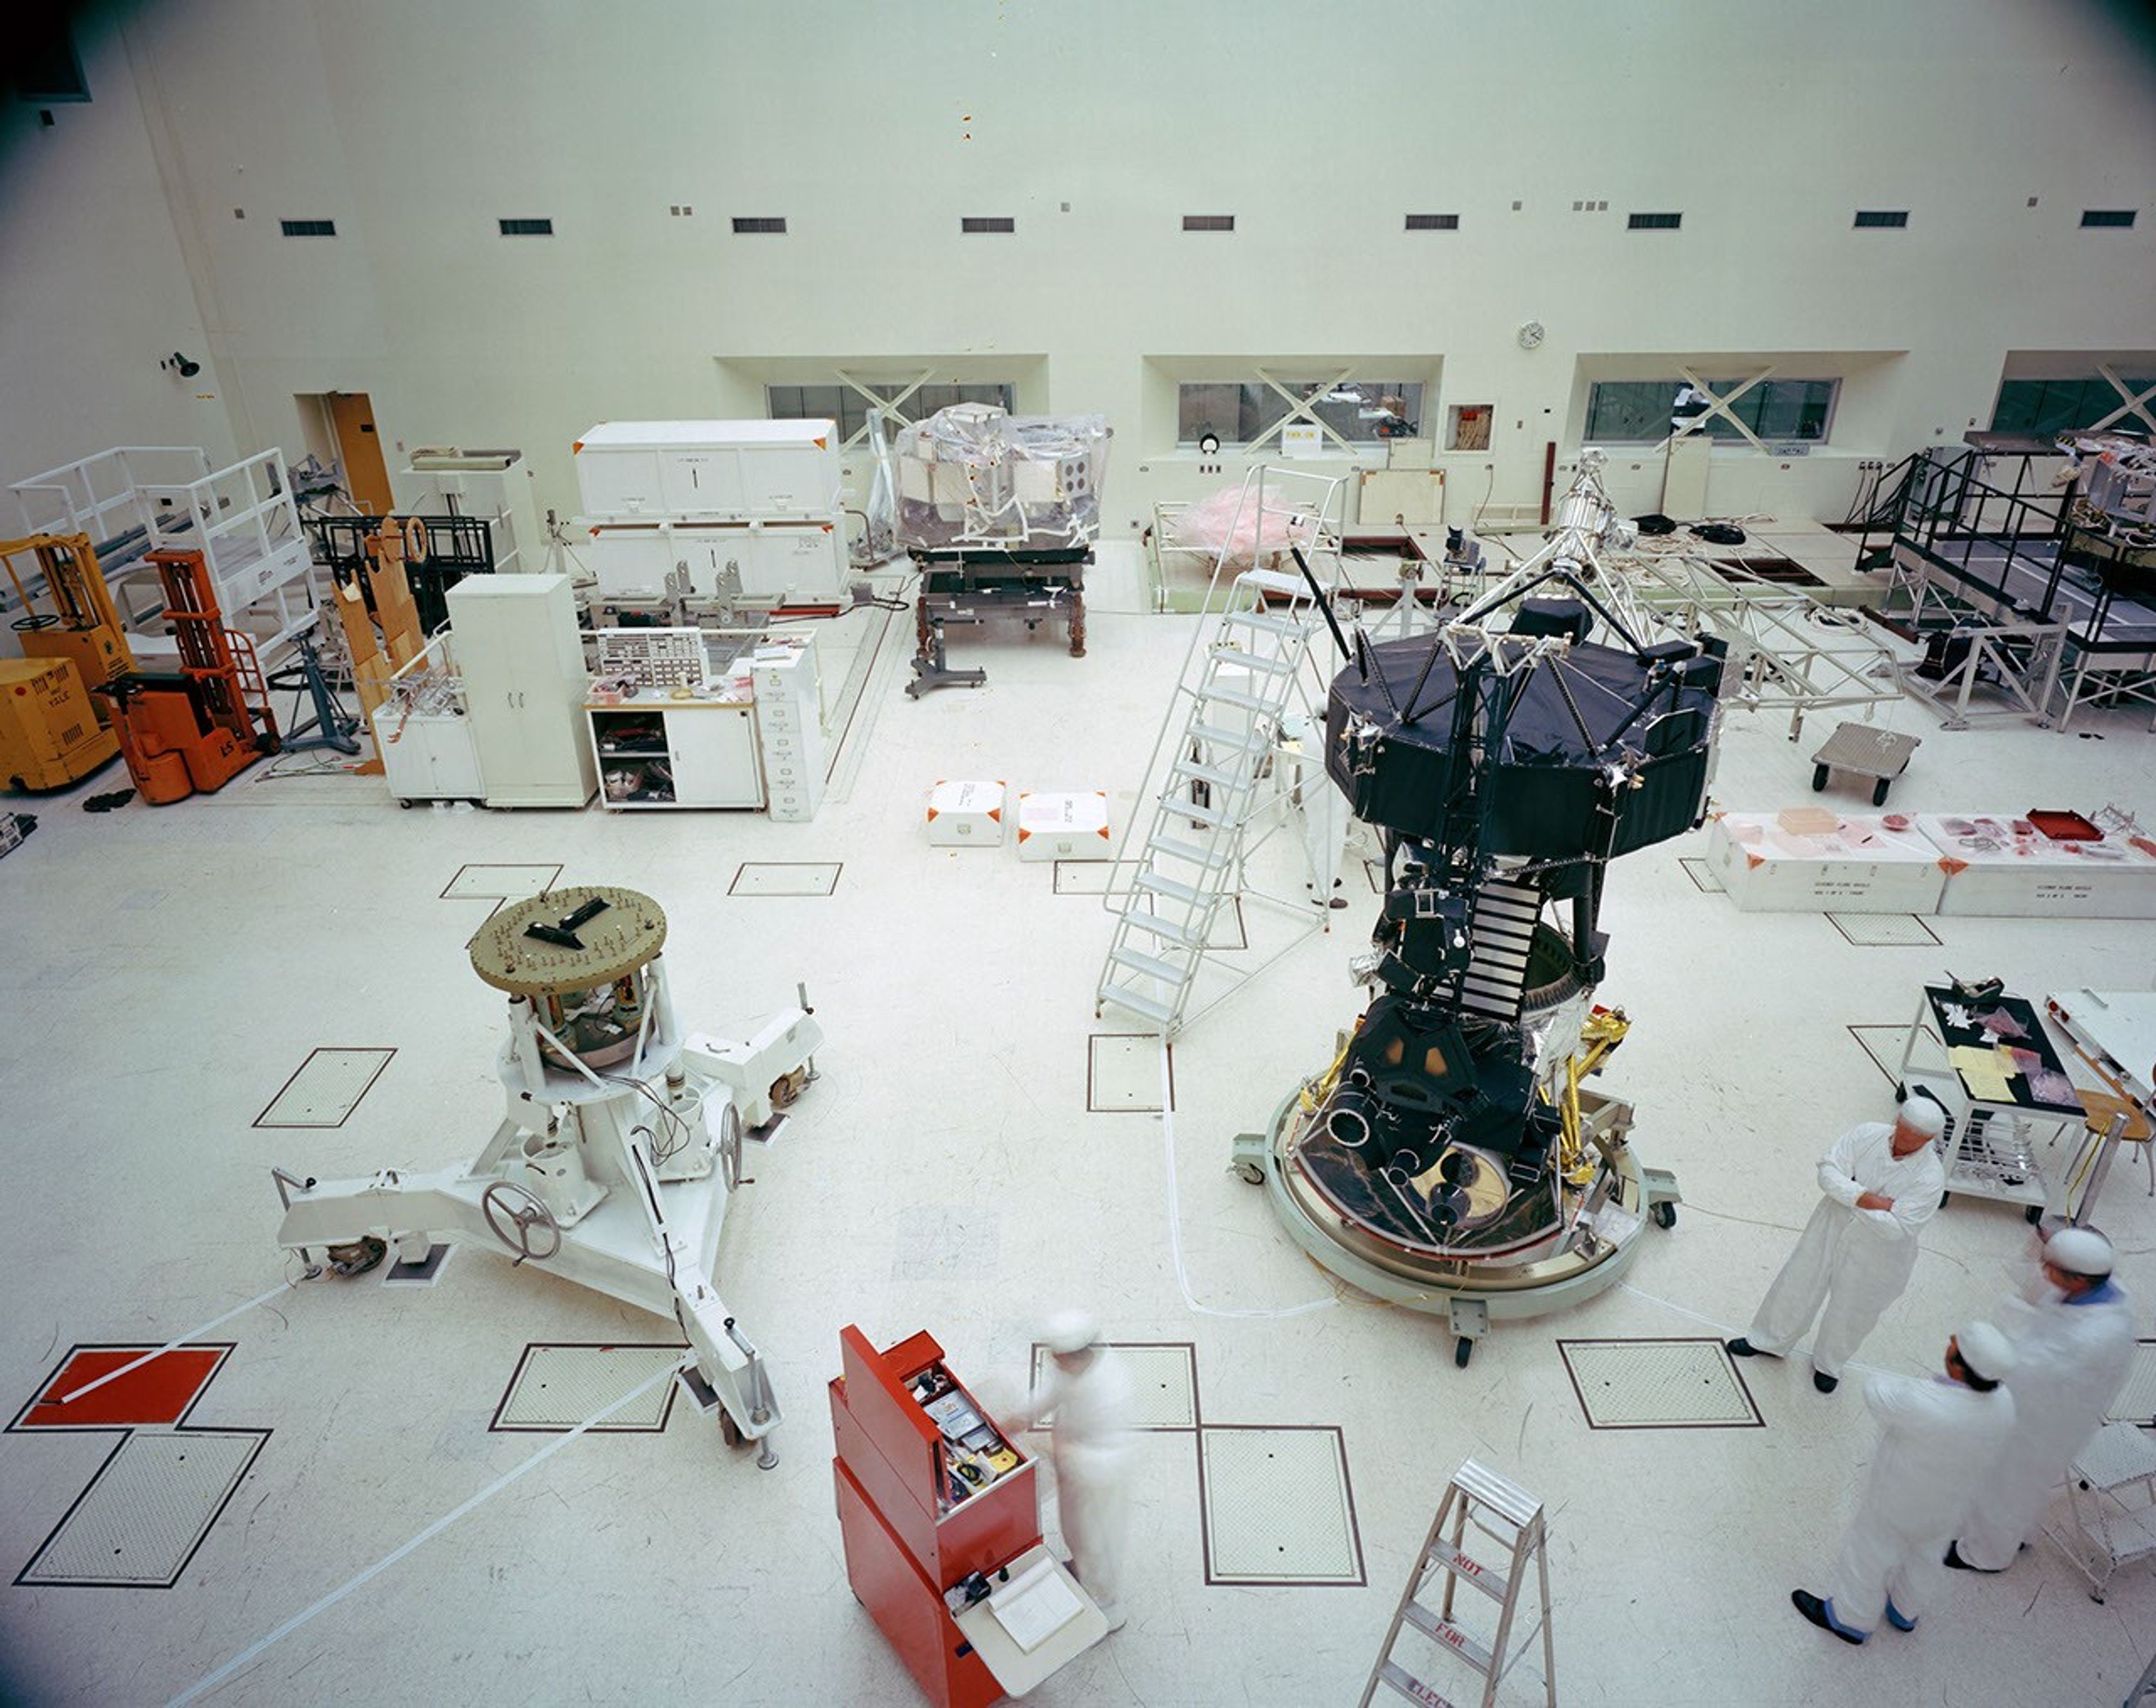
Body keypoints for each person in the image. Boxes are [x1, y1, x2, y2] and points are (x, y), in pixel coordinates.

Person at [1792, 1322, 2018, 1645]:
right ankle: (1904, 1611)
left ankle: (1850, 1619)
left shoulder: (1925, 1402)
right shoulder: (2005, 1403)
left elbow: (1876, 1392)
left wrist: (1926, 1386)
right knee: (1925, 1557)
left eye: (1954, 1344)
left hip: (1899, 1501)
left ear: (1958, 1365)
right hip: (1951, 1505)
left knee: (1870, 1553)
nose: (1949, 1341)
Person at [1947, 1225, 2137, 1572]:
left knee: (2009, 1482)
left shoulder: (2095, 1334)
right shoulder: (2100, 1289)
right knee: (2027, 1486)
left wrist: (1974, 1369)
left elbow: (2030, 1372)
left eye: (2050, 1268)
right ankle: (2017, 1534)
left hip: (2047, 1419)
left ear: (2077, 1279)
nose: (2044, 1274)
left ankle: (1985, 1554)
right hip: (2049, 1405)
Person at [1728, 1098, 1947, 1392]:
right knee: (1799, 1281)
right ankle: (1768, 1340)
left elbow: (1898, 1228)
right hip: (1830, 1226)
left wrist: (1849, 1195)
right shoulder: (1867, 1134)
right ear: (1897, 1120)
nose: (1902, 1141)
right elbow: (1827, 1172)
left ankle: (1829, 1365)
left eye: (1912, 1139)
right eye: (1902, 1130)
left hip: (1880, 1252)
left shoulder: (1931, 1178)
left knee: (1854, 1308)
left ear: (1929, 1139)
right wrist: (1869, 1200)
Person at [1008, 1311, 1136, 1630]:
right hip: (1073, 1470)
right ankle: (1079, 1568)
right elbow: (1054, 1391)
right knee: (1075, 1532)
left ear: (1076, 1356)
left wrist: (1063, 1452)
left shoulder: (1112, 1392)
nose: (1055, 1363)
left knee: (1095, 1543)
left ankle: (1108, 1610)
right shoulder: (1075, 1368)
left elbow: (1114, 1459)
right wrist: (1017, 1419)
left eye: (1059, 1358)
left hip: (1099, 1483)